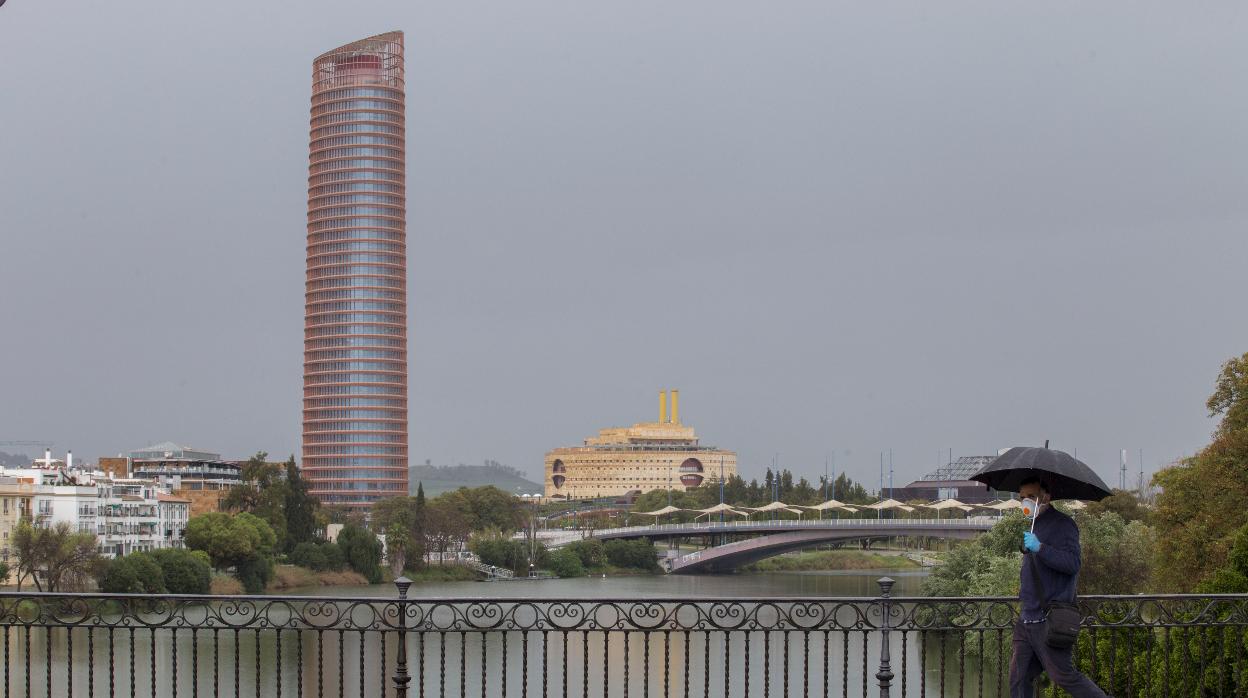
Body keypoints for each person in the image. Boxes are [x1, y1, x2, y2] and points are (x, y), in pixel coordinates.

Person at [1009, 476, 1108, 698]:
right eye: (1022, 497)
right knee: (1019, 679)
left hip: (1048, 619)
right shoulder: (1034, 525)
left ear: (1046, 496)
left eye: (1031, 496)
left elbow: (1073, 564)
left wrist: (1040, 547)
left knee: (1064, 676)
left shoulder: (1064, 524)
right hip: (1027, 618)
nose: (1026, 502)